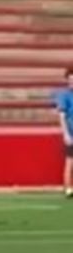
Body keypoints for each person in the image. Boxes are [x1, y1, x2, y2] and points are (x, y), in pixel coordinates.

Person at [53, 68, 73, 199]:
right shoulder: (63, 95)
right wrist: (66, 133)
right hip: (71, 133)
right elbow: (62, 116)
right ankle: (68, 188)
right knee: (70, 161)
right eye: (70, 80)